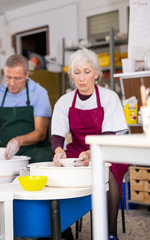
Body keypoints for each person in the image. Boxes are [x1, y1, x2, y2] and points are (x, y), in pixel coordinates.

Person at [51, 48, 128, 240]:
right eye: (76, 73)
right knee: (55, 170)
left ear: (96, 73)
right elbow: (57, 137)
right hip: (77, 149)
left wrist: (90, 155)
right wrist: (58, 151)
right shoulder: (65, 101)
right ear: (71, 76)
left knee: (107, 171)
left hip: (109, 149)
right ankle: (61, 229)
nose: (82, 78)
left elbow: (108, 138)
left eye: (86, 72)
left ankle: (109, 233)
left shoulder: (109, 98)